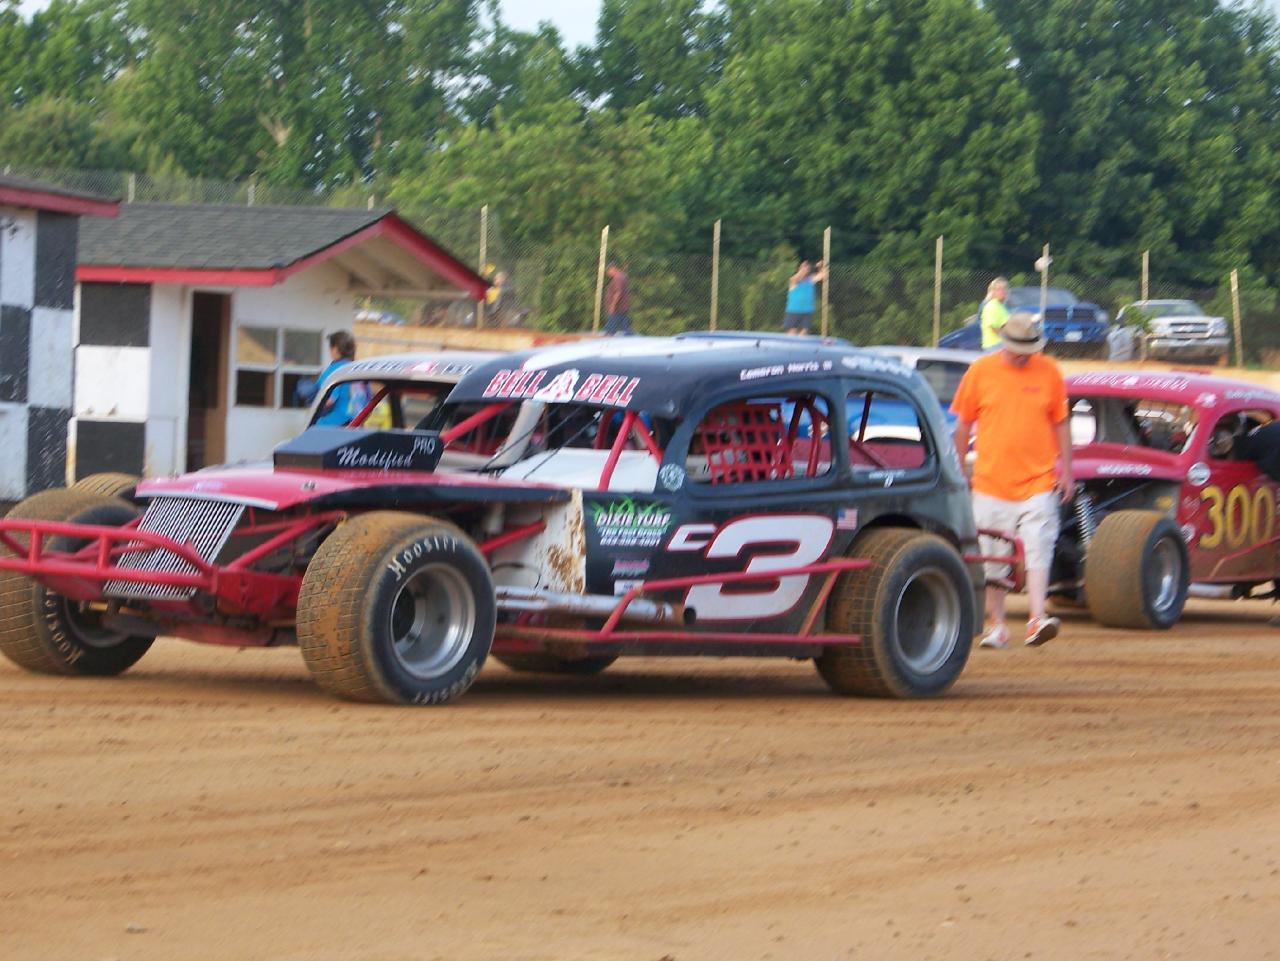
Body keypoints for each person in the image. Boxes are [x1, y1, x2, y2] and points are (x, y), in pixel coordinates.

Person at [951, 310, 1073, 649]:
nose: (1024, 355)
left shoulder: (1049, 371)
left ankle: (1036, 618)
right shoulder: (980, 371)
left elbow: (1061, 422)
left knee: (1039, 544)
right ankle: (998, 625)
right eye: (1019, 349)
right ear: (1005, 343)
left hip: (1039, 478)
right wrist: (959, 469)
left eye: (1028, 349)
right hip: (990, 481)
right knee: (991, 556)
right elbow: (963, 424)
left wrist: (1067, 471)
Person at [298, 330, 369, 427]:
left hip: (332, 425)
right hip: (355, 425)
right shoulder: (358, 370)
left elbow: (328, 400)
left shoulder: (335, 370)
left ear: (335, 349)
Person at [783, 259, 827, 335]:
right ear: (800, 269)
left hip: (807, 310)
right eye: (803, 268)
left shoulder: (810, 279)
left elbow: (823, 275)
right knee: (792, 332)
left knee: (804, 332)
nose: (805, 270)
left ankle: (801, 341)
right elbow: (795, 278)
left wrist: (821, 266)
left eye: (807, 268)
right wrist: (802, 270)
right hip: (794, 310)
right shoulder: (793, 280)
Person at [979, 276, 1010, 349]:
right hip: (994, 346)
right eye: (999, 289)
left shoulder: (1000, 306)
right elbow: (993, 327)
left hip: (1001, 345)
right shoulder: (992, 306)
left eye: (1004, 288)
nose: (1002, 291)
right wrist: (1009, 338)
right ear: (992, 292)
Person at [604, 261, 632, 335]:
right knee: (625, 328)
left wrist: (613, 305)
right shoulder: (622, 276)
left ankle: (609, 335)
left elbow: (618, 292)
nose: (608, 273)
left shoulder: (618, 278)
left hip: (617, 308)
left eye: (609, 271)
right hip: (622, 307)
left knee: (610, 330)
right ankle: (630, 335)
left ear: (613, 269)